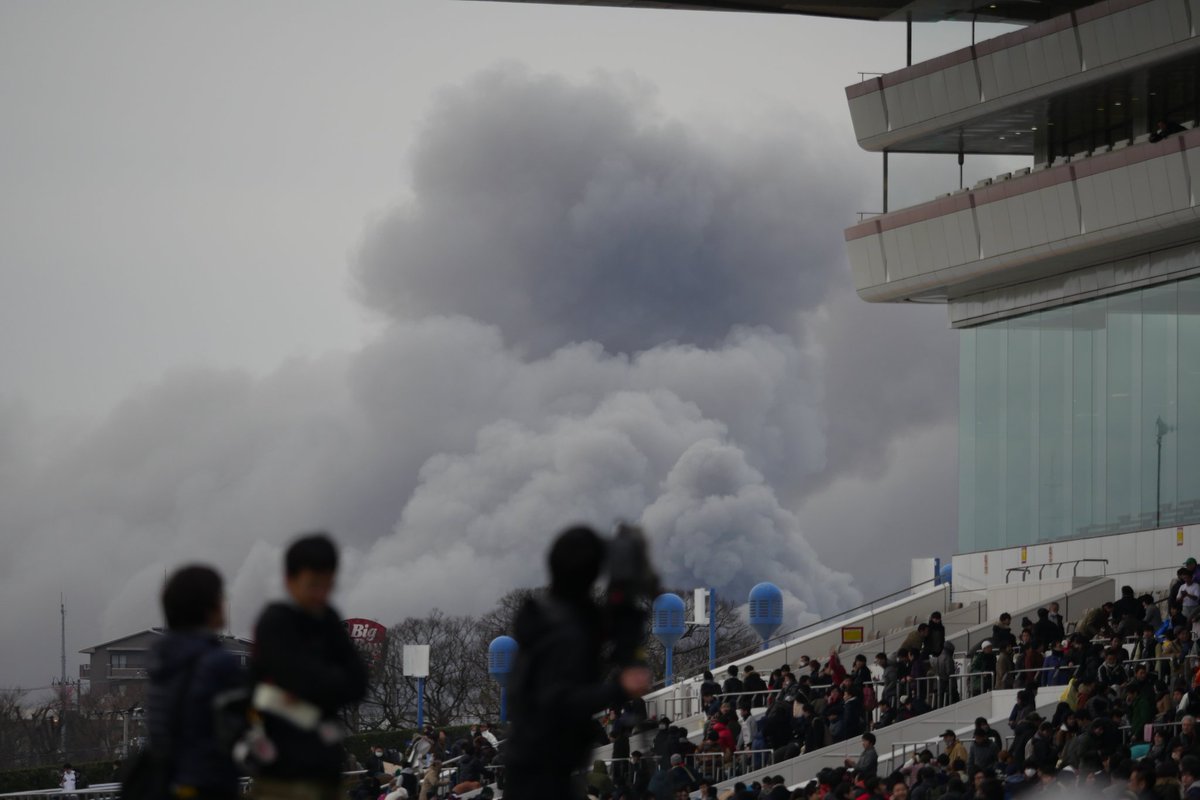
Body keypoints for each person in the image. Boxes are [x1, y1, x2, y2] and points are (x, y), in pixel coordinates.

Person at [505, 526, 652, 800]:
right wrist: (618, 688)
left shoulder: (548, 615)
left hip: (535, 768)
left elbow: (587, 622)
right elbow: (557, 699)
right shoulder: (565, 634)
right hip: (546, 774)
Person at [249, 533, 369, 800]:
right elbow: (301, 679)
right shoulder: (275, 622)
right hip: (282, 777)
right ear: (289, 581)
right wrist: (332, 680)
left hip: (326, 771)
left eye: (328, 585)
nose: (321, 594)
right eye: (313, 584)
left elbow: (359, 682)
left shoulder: (329, 619)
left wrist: (317, 682)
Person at [145, 565, 244, 800]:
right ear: (208, 607)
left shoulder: (161, 660)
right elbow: (243, 728)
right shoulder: (216, 662)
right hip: (210, 784)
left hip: (171, 782)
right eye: (220, 596)